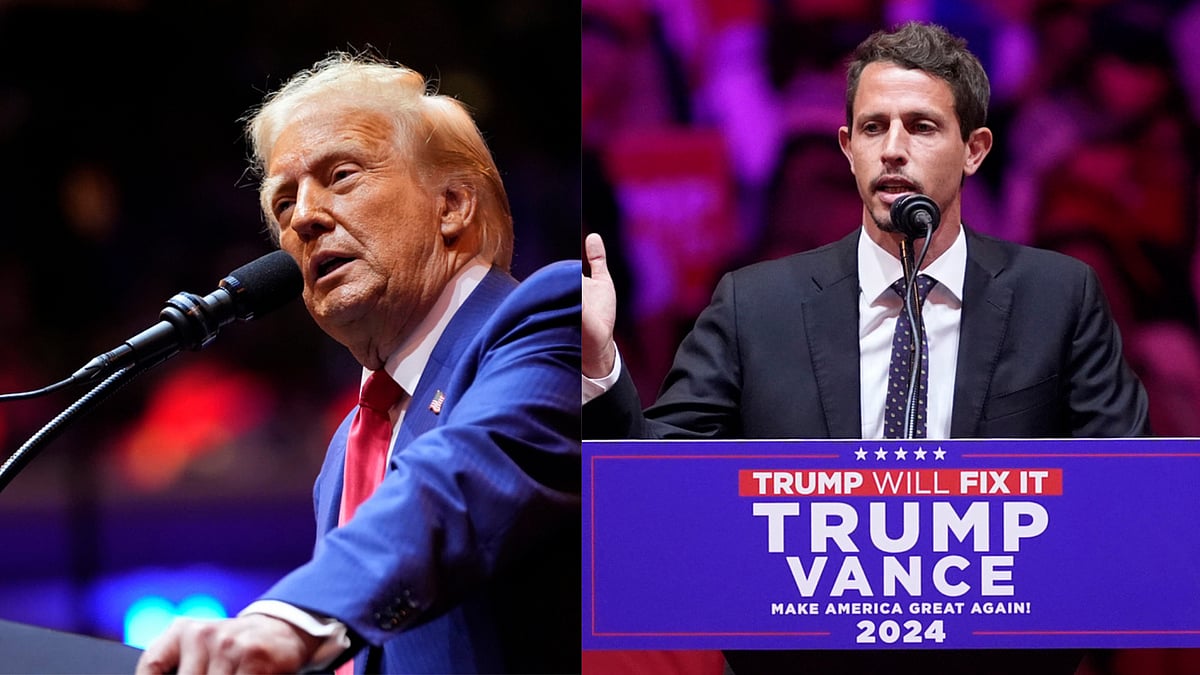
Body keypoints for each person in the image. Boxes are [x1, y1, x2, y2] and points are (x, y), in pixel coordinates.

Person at [582, 20, 1149, 675]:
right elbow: (657, 502)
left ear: (975, 149)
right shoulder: (754, 305)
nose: (894, 152)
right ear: (849, 147)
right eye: (875, 129)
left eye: (923, 127)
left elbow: (1128, 511)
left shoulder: (1058, 296)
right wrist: (601, 369)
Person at [135, 51, 581, 674]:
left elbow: (461, 480)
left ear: (452, 205)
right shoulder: (348, 447)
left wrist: (289, 617)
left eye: (341, 175)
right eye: (284, 203)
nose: (306, 218)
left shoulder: (552, 317)